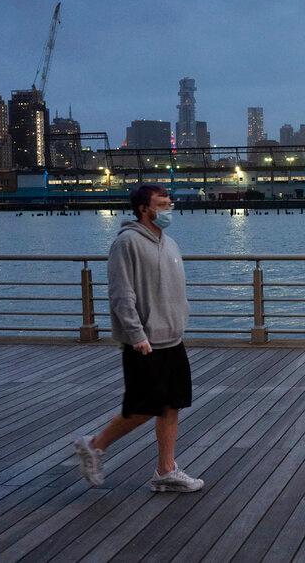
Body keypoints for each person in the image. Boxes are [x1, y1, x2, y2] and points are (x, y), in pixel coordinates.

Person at [73, 184, 203, 492]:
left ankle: (165, 471)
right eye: (162, 202)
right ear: (144, 208)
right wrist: (136, 334)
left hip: (173, 338)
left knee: (173, 404)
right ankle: (95, 445)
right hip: (144, 342)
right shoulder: (127, 242)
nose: (169, 206)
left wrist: (181, 318)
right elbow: (121, 294)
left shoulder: (169, 242)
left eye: (170, 200)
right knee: (144, 406)